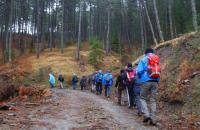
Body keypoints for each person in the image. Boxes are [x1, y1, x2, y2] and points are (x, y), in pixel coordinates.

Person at [136, 48, 160, 125]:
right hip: (155, 81)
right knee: (153, 100)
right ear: (152, 52)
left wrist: (140, 78)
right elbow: (158, 70)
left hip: (145, 81)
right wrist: (157, 80)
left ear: (145, 53)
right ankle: (153, 119)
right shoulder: (156, 59)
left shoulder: (143, 59)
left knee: (143, 98)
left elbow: (139, 71)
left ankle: (146, 115)